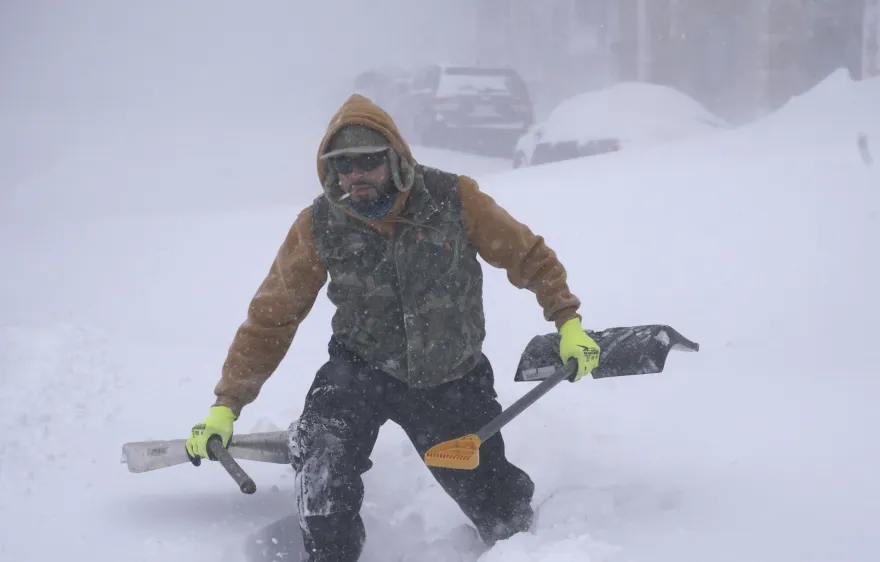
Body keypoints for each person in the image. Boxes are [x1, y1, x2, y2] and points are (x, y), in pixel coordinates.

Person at [184, 93, 601, 561]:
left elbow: (530, 257)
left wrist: (568, 322)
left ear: (394, 159)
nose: (355, 176)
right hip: (359, 370)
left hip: (450, 378)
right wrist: (227, 404)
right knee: (325, 470)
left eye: (367, 161)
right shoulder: (319, 223)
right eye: (343, 165)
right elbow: (271, 317)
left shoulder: (454, 199)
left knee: (499, 510)